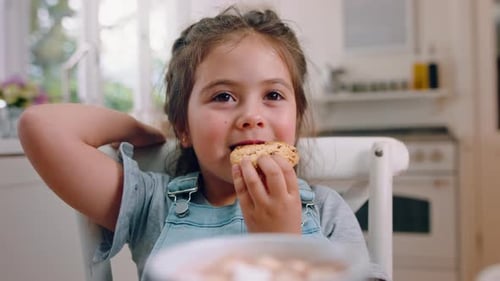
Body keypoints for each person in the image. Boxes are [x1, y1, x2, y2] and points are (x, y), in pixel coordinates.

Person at [18, 6, 387, 281]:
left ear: (297, 116)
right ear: (184, 126)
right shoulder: (152, 204)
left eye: (273, 95)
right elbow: (39, 125)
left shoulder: (325, 211)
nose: (251, 116)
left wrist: (285, 242)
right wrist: (140, 131)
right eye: (223, 97)